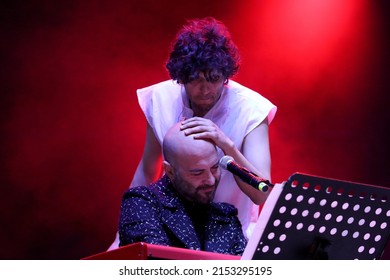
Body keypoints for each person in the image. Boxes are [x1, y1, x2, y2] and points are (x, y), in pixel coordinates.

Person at [109, 16, 276, 250]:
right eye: (195, 79)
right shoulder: (160, 98)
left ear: (226, 75)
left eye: (214, 79)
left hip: (229, 232)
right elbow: (148, 170)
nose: (205, 89)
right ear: (181, 76)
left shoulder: (251, 109)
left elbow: (263, 194)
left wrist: (226, 145)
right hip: (173, 226)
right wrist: (122, 236)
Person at [118, 122, 247, 255]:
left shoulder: (226, 214)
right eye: (197, 173)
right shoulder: (141, 201)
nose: (211, 180)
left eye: (214, 168)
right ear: (170, 171)